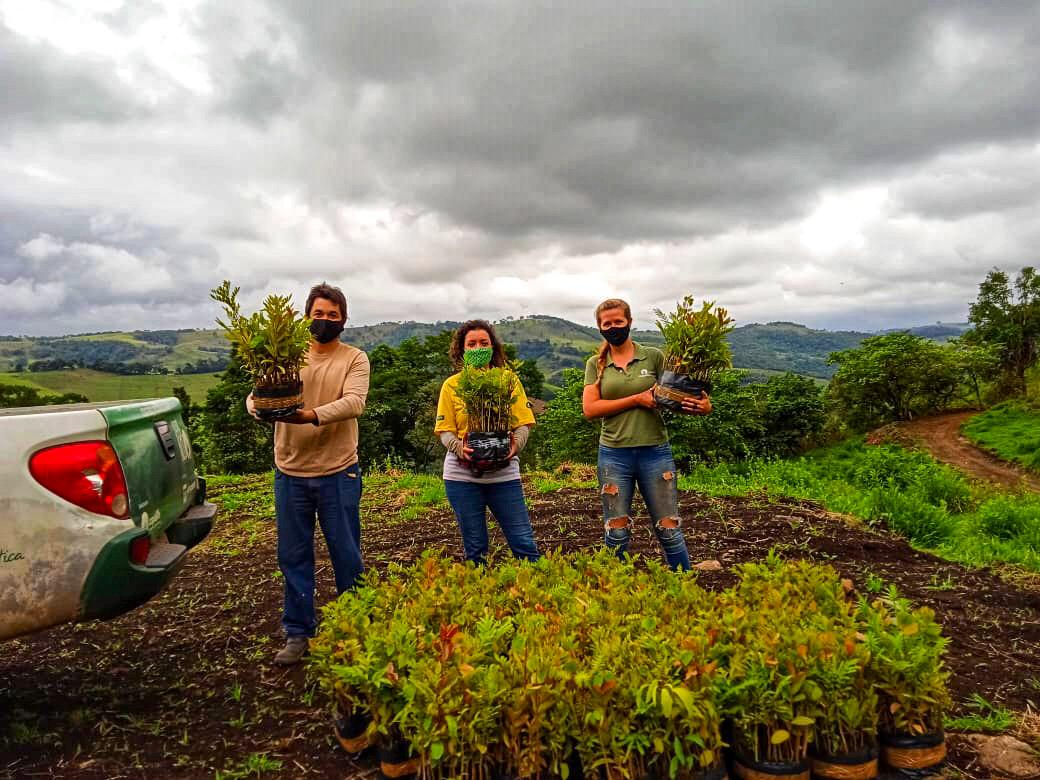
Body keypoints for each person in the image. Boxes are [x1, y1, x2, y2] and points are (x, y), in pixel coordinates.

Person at [247, 282, 370, 665]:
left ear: (344, 320)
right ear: (306, 317)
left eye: (333, 315)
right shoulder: (289, 357)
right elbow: (255, 396)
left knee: (346, 554)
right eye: (319, 314)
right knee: (294, 555)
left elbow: (354, 402)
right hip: (290, 471)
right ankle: (299, 632)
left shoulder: (354, 358)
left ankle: (354, 627)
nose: (325, 321)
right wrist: (258, 408)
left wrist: (309, 415)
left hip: (338, 471)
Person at [581, 298, 711, 571]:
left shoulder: (653, 356)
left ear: (629, 322)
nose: (614, 327)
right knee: (616, 531)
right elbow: (591, 409)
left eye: (619, 321)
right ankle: (613, 589)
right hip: (614, 455)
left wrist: (702, 407)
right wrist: (636, 399)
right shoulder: (596, 364)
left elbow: (674, 397)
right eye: (608, 323)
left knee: (669, 528)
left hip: (655, 452)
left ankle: (683, 585)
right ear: (599, 327)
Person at [435, 320, 541, 565]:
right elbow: (445, 431)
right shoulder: (452, 386)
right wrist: (460, 448)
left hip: (504, 474)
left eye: (484, 343)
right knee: (475, 548)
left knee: (524, 543)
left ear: (493, 348)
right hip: (461, 476)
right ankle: (480, 597)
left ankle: (539, 594)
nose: (478, 348)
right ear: (461, 350)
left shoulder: (508, 380)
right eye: (471, 344)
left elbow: (523, 423)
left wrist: (516, 445)